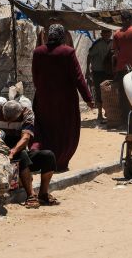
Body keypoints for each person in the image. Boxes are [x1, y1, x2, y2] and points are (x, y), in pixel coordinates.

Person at [32, 24, 94, 172]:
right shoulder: (68, 52)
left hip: (44, 100)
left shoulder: (38, 52)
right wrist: (88, 98)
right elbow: (78, 77)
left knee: (45, 129)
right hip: (65, 101)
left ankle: (42, 159)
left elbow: (35, 77)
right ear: (62, 36)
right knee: (65, 130)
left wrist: (42, 92)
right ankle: (60, 162)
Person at [0, 99, 59, 208]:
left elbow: (25, 138)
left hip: (16, 150)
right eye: (6, 119)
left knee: (48, 156)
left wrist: (12, 152)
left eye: (12, 120)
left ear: (19, 113)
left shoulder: (27, 114)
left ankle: (43, 194)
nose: (8, 122)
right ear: (2, 110)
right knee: (22, 155)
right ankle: (31, 195)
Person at [87, 29, 113, 121]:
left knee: (109, 92)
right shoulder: (97, 44)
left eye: (108, 32)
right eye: (105, 33)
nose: (107, 34)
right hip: (98, 71)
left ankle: (108, 112)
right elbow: (89, 56)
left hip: (109, 72)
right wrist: (87, 70)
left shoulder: (113, 43)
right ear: (102, 34)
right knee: (99, 92)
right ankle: (99, 113)